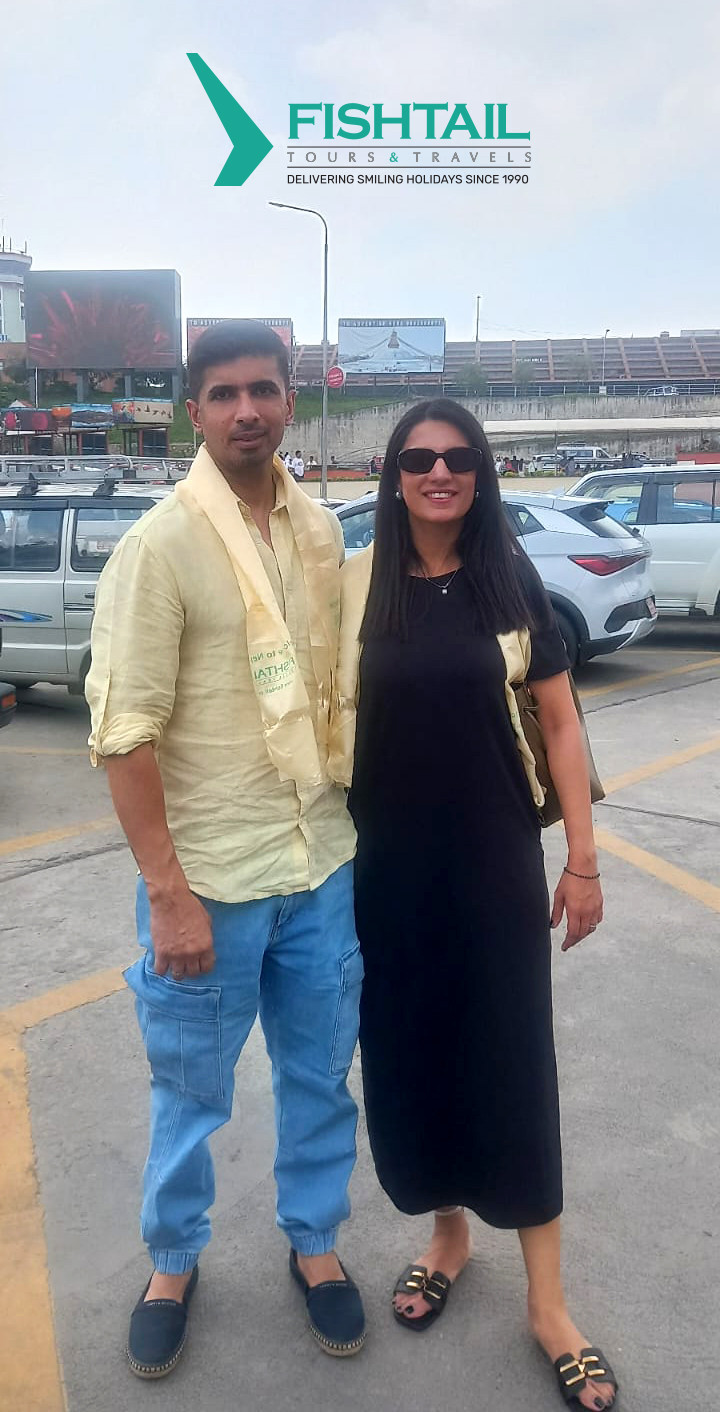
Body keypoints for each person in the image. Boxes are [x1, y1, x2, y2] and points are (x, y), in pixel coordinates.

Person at [86, 320, 366, 1378]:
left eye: (264, 388)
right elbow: (124, 734)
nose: (247, 409)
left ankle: (315, 1242)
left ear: (290, 400)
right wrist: (168, 894)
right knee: (190, 1091)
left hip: (321, 863)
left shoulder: (319, 534)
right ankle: (171, 1263)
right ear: (193, 412)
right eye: (223, 393)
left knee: (320, 1078)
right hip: (210, 882)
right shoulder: (160, 546)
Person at [333, 399, 617, 1410]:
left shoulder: (509, 579)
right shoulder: (358, 585)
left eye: (458, 457)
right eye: (419, 457)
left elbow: (562, 724)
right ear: (393, 474)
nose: (439, 472)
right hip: (388, 871)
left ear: (482, 472)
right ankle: (447, 1236)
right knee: (412, 1057)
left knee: (511, 1062)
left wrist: (582, 860)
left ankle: (549, 1303)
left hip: (494, 865)